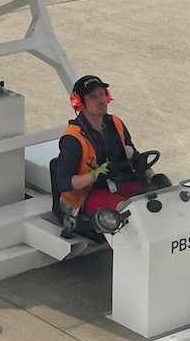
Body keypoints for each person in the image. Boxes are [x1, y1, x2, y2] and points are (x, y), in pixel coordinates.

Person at [53, 74, 157, 228]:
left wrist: (150, 175)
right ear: (80, 103)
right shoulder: (72, 139)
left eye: (102, 94)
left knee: (153, 198)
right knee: (127, 212)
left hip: (118, 183)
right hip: (86, 196)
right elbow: (63, 183)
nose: (101, 100)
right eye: (94, 97)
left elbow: (131, 153)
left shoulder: (115, 123)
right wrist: (94, 175)